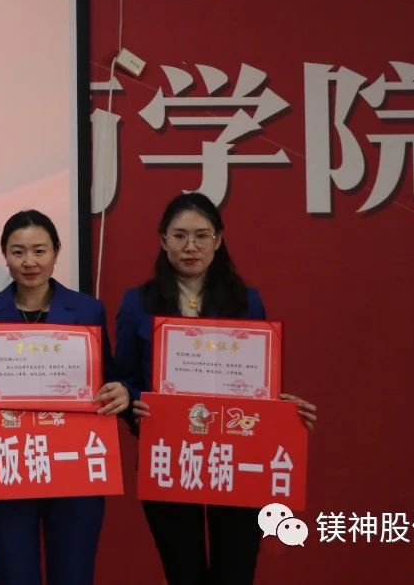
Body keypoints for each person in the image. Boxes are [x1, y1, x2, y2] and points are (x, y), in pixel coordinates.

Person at [114, 192, 317, 585]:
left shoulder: (247, 301)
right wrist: (132, 401)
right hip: (171, 455)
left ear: (218, 239)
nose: (190, 246)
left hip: (237, 456)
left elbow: (258, 383)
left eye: (201, 236)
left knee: (236, 571)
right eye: (179, 236)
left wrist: (282, 410)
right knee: (183, 572)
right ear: (163, 240)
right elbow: (125, 380)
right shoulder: (138, 303)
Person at [0, 210, 128, 585]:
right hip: (9, 467)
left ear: (56, 252)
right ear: (5, 255)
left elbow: (108, 378)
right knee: (13, 573)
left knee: (74, 573)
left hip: (73, 466)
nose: (29, 261)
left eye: (39, 250)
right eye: (18, 252)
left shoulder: (88, 310)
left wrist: (119, 392)